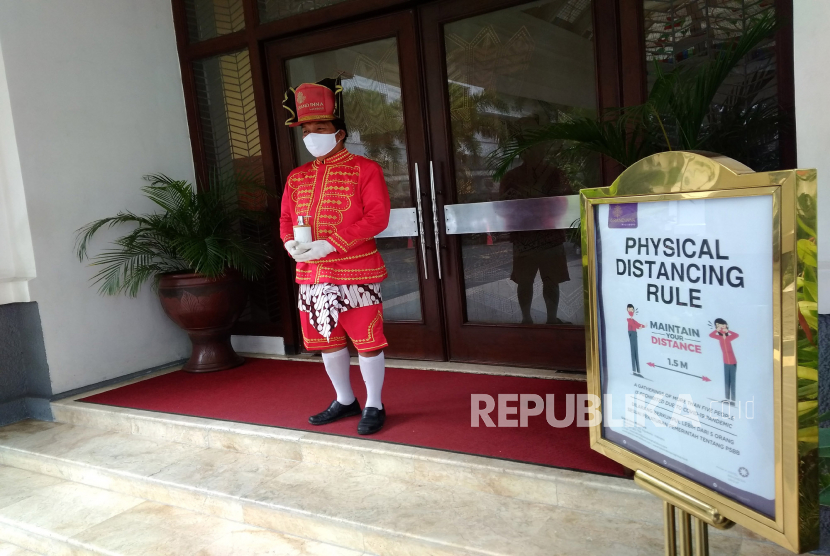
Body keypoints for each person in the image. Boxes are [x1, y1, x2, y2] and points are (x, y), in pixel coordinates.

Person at [279, 77, 391, 435]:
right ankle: (345, 399)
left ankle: (374, 402)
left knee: (367, 341)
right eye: (306, 130)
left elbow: (378, 217)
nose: (312, 135)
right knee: (327, 340)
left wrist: (331, 244)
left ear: (338, 132)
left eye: (320, 127)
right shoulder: (297, 177)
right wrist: (288, 243)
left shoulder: (366, 169)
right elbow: (284, 218)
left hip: (356, 270)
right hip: (312, 274)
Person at [498, 118, 572, 324]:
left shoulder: (555, 174)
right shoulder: (514, 177)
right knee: (529, 281)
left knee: (546, 281)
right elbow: (504, 207)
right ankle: (530, 319)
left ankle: (539, 319)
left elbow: (566, 202)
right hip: (534, 238)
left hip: (543, 237)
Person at [709, 318, 739, 404]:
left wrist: (729, 330)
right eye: (718, 326)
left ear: (726, 326)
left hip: (733, 362)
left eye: (722, 325)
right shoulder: (720, 338)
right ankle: (727, 398)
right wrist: (716, 330)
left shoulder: (729, 338)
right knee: (726, 381)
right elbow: (711, 335)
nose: (721, 327)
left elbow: (736, 335)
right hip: (725, 361)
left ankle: (733, 400)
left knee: (732, 382)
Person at [626, 304, 645, 376]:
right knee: (633, 352)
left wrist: (643, 326)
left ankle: (638, 371)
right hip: (631, 334)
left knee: (636, 352)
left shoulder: (632, 319)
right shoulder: (628, 318)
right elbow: (633, 325)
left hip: (634, 334)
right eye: (630, 309)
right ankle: (634, 370)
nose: (631, 311)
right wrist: (639, 327)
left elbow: (637, 323)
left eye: (632, 309)